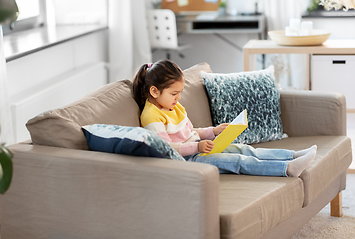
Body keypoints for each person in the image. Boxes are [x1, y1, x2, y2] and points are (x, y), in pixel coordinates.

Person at [132, 59, 317, 177]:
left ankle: (292, 155)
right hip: (187, 162)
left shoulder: (173, 106)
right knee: (239, 161)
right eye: (174, 93)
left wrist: (213, 131)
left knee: (244, 150)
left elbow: (190, 132)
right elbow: (166, 149)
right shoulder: (151, 116)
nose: (178, 98)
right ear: (154, 91)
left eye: (180, 93)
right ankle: (287, 169)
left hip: (198, 150)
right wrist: (197, 146)